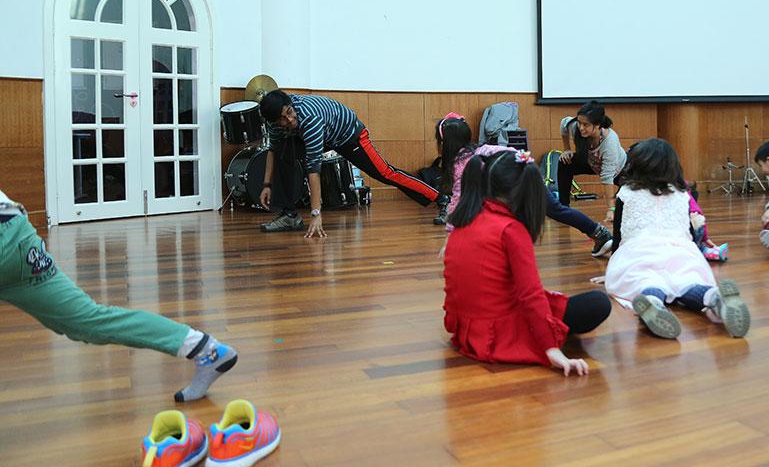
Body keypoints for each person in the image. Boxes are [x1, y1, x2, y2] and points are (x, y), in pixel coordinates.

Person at [0, 190, 236, 402]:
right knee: (88, 319)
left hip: (8, 240)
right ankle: (207, 350)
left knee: (87, 319)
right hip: (18, 233)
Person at [443, 150, 612, 376]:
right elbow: (530, 294)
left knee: (553, 300)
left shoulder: (463, 220)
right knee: (597, 303)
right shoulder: (511, 230)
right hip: (500, 330)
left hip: (467, 330)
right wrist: (551, 349)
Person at [602, 139, 750, 339]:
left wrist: (615, 267)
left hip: (639, 252)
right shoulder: (682, 194)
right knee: (687, 282)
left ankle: (653, 302)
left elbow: (619, 235)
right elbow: (688, 231)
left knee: (644, 281)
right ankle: (713, 297)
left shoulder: (626, 193)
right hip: (681, 251)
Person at [258, 90, 449, 236]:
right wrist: (267, 185)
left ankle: (442, 199)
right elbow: (272, 151)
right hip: (328, 137)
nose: (289, 119)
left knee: (386, 173)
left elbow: (313, 168)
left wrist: (316, 214)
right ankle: (289, 215)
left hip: (351, 137)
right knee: (283, 150)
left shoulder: (309, 118)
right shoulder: (275, 124)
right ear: (274, 121)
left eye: (290, 113)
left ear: (291, 105)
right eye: (282, 119)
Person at [437, 113, 613, 257]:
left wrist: (450, 235)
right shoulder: (481, 150)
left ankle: (600, 233)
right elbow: (513, 152)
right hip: (524, 179)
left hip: (522, 184)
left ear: (445, 143)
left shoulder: (462, 163)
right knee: (553, 211)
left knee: (552, 211)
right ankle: (599, 233)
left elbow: (458, 198)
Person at [557, 101, 628, 221]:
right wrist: (567, 149)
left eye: (586, 124)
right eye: (579, 123)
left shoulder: (610, 142)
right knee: (565, 162)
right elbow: (564, 124)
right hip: (592, 162)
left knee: (626, 197)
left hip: (618, 169)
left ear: (598, 125)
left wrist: (611, 210)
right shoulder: (575, 127)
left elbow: (607, 176)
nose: (581, 128)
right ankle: (563, 208)